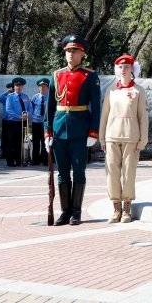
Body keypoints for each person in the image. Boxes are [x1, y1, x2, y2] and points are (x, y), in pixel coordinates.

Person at [46, 34, 101, 225]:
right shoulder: (57, 75)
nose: (70, 54)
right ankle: (64, 211)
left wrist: (93, 132)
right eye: (68, 51)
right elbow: (50, 107)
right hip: (59, 128)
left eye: (74, 51)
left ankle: (76, 212)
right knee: (62, 172)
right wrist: (48, 132)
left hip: (80, 130)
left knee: (78, 171)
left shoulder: (90, 75)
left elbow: (96, 107)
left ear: (82, 54)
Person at [100, 54, 148, 223]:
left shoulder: (138, 91)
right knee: (112, 172)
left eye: (127, 67)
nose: (124, 70)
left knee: (128, 173)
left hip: (131, 137)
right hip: (112, 136)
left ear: (132, 69)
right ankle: (115, 208)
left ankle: (126, 208)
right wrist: (102, 138)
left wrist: (143, 139)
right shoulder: (111, 90)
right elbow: (104, 115)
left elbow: (143, 116)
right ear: (117, 69)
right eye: (121, 67)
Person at [1, 77, 33, 167]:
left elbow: (30, 108)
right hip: (12, 123)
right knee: (11, 142)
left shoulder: (25, 96)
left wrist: (28, 115)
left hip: (23, 123)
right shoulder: (10, 97)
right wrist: (19, 116)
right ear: (14, 87)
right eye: (17, 86)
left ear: (23, 87)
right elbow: (8, 110)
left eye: (20, 86)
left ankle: (19, 160)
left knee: (21, 142)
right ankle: (10, 161)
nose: (18, 87)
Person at [30, 78, 49, 165]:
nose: (42, 88)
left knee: (45, 141)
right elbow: (31, 109)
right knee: (36, 142)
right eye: (41, 87)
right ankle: (35, 160)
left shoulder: (50, 98)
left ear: (48, 88)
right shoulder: (35, 97)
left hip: (45, 123)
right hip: (36, 122)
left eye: (44, 87)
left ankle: (45, 160)